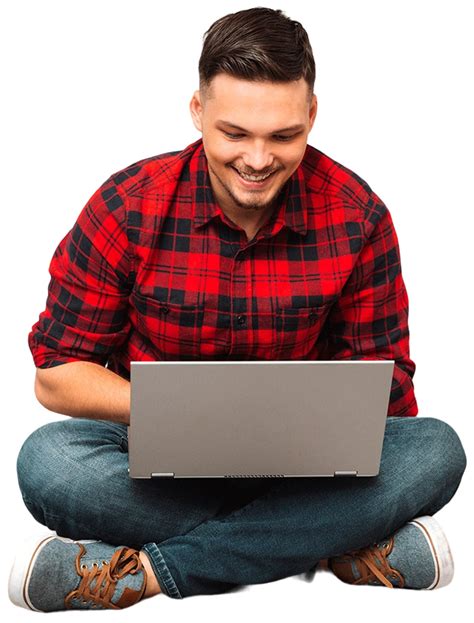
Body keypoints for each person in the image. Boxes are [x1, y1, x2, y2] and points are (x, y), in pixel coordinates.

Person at [9, 6, 467, 612]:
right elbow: (56, 374)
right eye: (235, 134)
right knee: (48, 462)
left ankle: (146, 573)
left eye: (283, 136)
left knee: (436, 450)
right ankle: (330, 544)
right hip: (156, 463)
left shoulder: (359, 216)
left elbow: (390, 392)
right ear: (198, 111)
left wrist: (319, 428)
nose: (257, 159)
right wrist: (180, 412)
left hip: (305, 468)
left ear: (312, 115)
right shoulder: (126, 206)